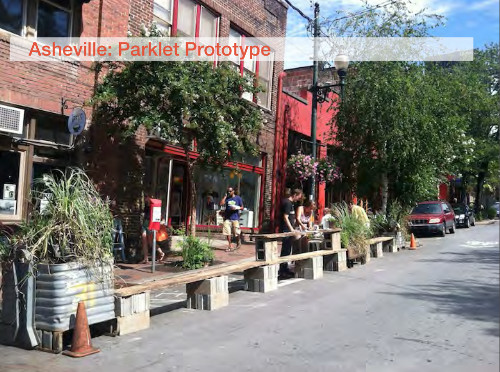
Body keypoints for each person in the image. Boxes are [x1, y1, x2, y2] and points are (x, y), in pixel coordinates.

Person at [279, 188, 303, 278]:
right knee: (285, 250)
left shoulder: (291, 204)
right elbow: (285, 217)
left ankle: (285, 269)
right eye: (298, 197)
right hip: (286, 230)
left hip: (289, 230)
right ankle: (282, 271)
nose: (298, 199)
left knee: (288, 250)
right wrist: (291, 229)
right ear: (294, 195)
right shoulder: (287, 203)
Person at [140, 193, 165, 264]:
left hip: (150, 225)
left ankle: (161, 253)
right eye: (144, 197)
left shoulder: (153, 206)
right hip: (145, 224)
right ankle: (145, 258)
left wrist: (160, 222)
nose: (145, 198)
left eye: (146, 197)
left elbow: (159, 216)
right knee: (144, 240)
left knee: (151, 242)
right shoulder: (146, 205)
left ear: (150, 197)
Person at [220, 186, 243, 252]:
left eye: (230, 191)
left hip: (235, 217)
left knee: (236, 232)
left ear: (233, 191)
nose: (229, 192)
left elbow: (242, 207)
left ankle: (238, 241)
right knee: (227, 232)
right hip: (227, 218)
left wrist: (236, 208)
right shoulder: (227, 198)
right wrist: (225, 196)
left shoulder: (238, 198)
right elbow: (221, 204)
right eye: (228, 191)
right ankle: (230, 246)